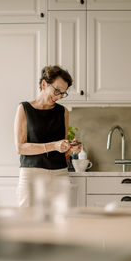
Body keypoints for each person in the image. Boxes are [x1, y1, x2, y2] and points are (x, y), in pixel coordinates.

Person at [14, 65, 81, 207]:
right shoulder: (24, 109)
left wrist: (69, 148)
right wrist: (54, 145)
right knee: (28, 221)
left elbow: (63, 153)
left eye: (63, 93)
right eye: (56, 90)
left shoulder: (63, 112)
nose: (59, 97)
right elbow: (20, 148)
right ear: (44, 84)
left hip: (59, 174)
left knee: (60, 222)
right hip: (31, 174)